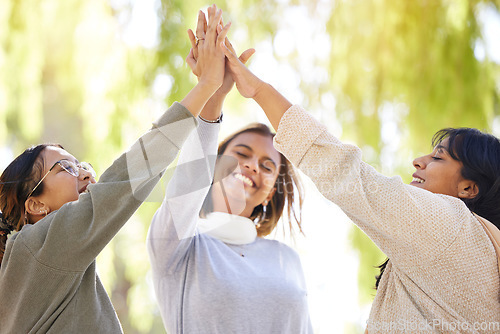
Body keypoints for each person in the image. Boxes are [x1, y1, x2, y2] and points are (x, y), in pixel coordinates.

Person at [219, 25, 500, 333]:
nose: (417, 162)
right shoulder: (466, 254)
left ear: (469, 188)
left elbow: (348, 174)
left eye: (437, 157)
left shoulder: (452, 229)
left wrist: (258, 90)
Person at [0, 7, 229, 333]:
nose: (84, 173)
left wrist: (211, 95)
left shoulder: (38, 266)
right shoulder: (36, 248)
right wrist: (206, 85)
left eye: (82, 165)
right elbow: (122, 181)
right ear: (35, 204)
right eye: (65, 167)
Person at [146, 7, 312, 333]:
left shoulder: (286, 260)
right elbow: (186, 185)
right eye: (242, 154)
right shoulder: (179, 244)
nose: (252, 166)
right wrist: (214, 91)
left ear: (271, 192)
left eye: (268, 166)